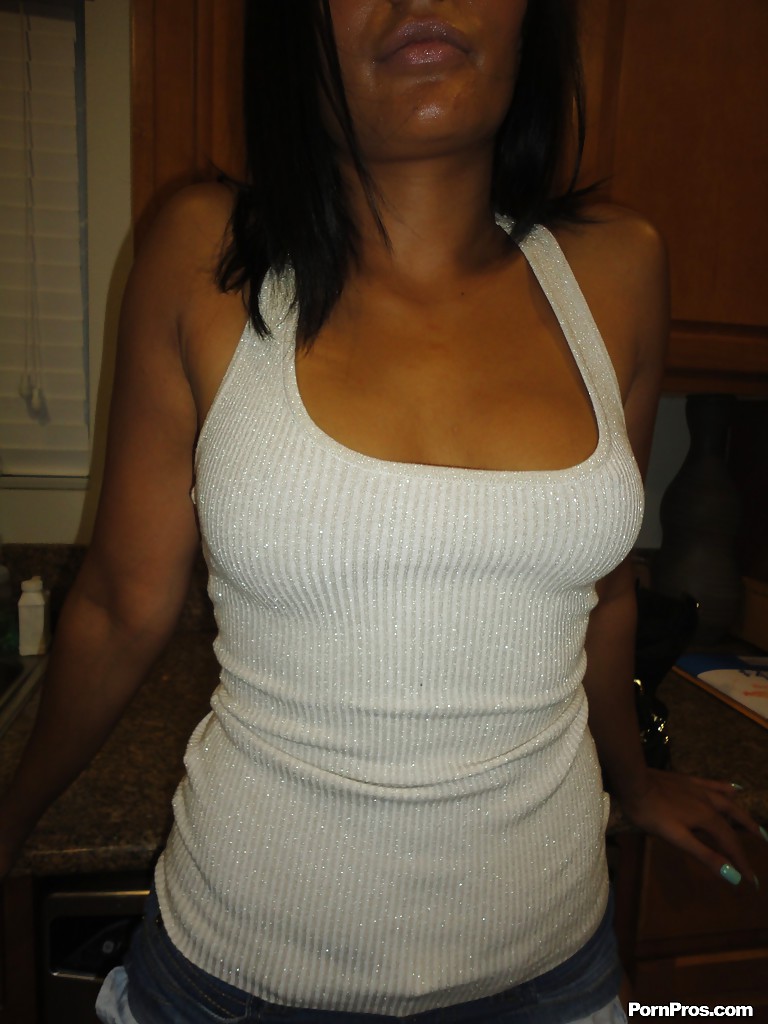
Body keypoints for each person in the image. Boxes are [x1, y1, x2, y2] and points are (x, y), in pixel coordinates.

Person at [0, 2, 761, 1021]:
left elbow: (604, 592)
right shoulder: (205, 254)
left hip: (551, 973)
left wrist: (635, 781)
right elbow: (118, 606)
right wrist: (7, 820)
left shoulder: (619, 267)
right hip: (241, 979)